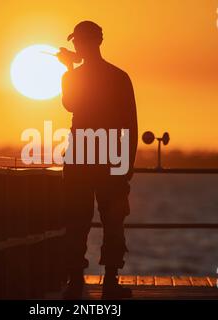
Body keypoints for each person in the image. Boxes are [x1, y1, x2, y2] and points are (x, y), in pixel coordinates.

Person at [57, 21, 138, 299]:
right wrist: (126, 163)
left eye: (78, 42)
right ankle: (111, 281)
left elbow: (70, 103)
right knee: (113, 220)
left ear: (80, 44)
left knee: (76, 220)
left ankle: (75, 280)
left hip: (80, 155)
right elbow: (130, 124)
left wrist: (69, 69)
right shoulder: (119, 77)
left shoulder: (74, 76)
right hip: (109, 156)